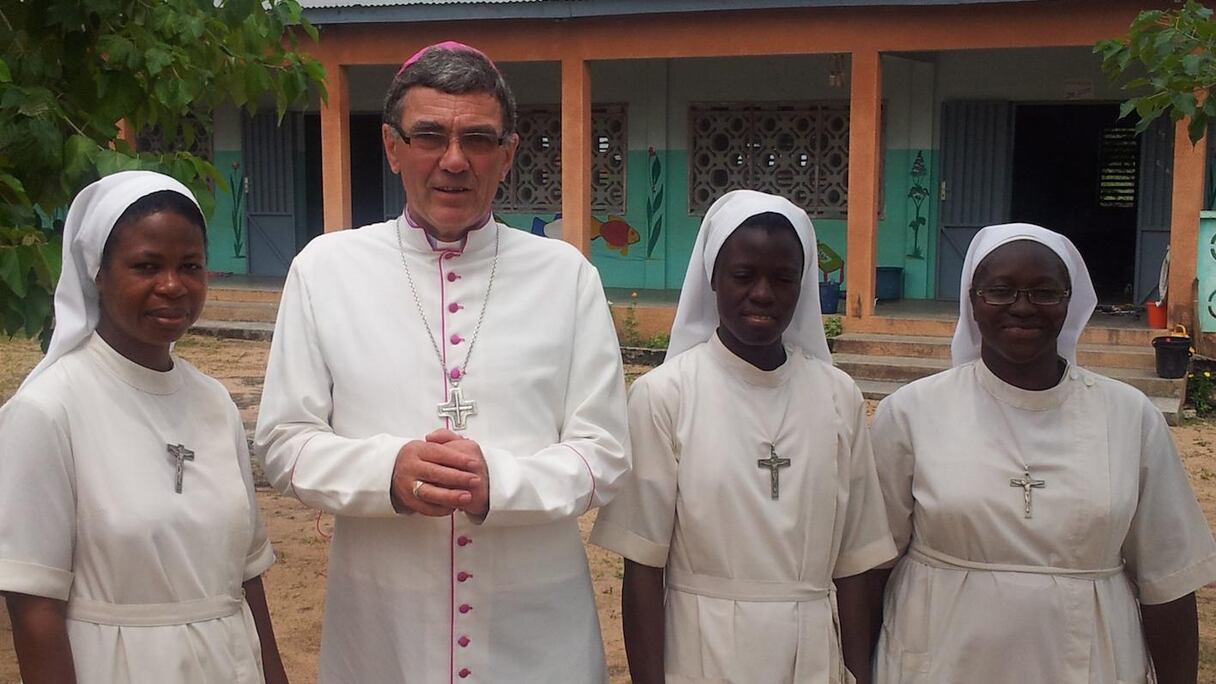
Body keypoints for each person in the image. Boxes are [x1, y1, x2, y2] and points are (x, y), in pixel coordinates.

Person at [254, 41, 630, 682]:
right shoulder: (324, 269)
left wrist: (500, 483)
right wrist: (386, 470)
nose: (454, 161)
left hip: (535, 631)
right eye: (429, 135)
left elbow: (605, 454)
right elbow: (283, 445)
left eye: (478, 139)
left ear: (508, 154)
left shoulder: (566, 276)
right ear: (392, 146)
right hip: (383, 629)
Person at [870, 223, 1216, 684]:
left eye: (1045, 292)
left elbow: (1168, 578)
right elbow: (870, 562)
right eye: (1000, 290)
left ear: (1070, 301)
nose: (1022, 306)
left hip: (1090, 661)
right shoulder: (911, 412)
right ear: (971, 301)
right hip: (938, 656)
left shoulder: (1129, 416)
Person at [590, 189, 896, 684]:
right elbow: (643, 568)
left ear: (804, 285)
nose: (762, 293)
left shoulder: (838, 396)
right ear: (712, 278)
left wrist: (858, 672)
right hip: (701, 649)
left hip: (811, 651)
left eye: (782, 278)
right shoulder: (664, 395)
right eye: (742, 275)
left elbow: (856, 561)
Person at [0, 170, 287, 683]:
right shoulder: (47, 411)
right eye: (146, 266)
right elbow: (32, 606)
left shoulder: (213, 401)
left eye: (191, 266)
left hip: (230, 663)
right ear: (98, 273)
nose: (172, 285)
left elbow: (245, 577)